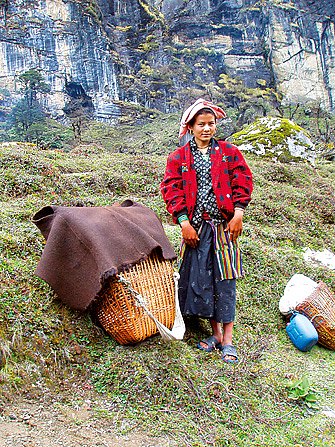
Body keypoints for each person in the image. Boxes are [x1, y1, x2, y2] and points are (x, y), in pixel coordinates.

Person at [160, 98, 253, 363]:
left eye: (211, 124)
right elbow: (171, 189)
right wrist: (184, 223)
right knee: (204, 279)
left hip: (224, 227)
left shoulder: (228, 152)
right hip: (197, 229)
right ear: (190, 127)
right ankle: (214, 335)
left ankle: (228, 340)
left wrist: (238, 213)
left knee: (225, 279)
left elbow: (242, 180)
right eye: (201, 124)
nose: (207, 129)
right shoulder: (179, 158)